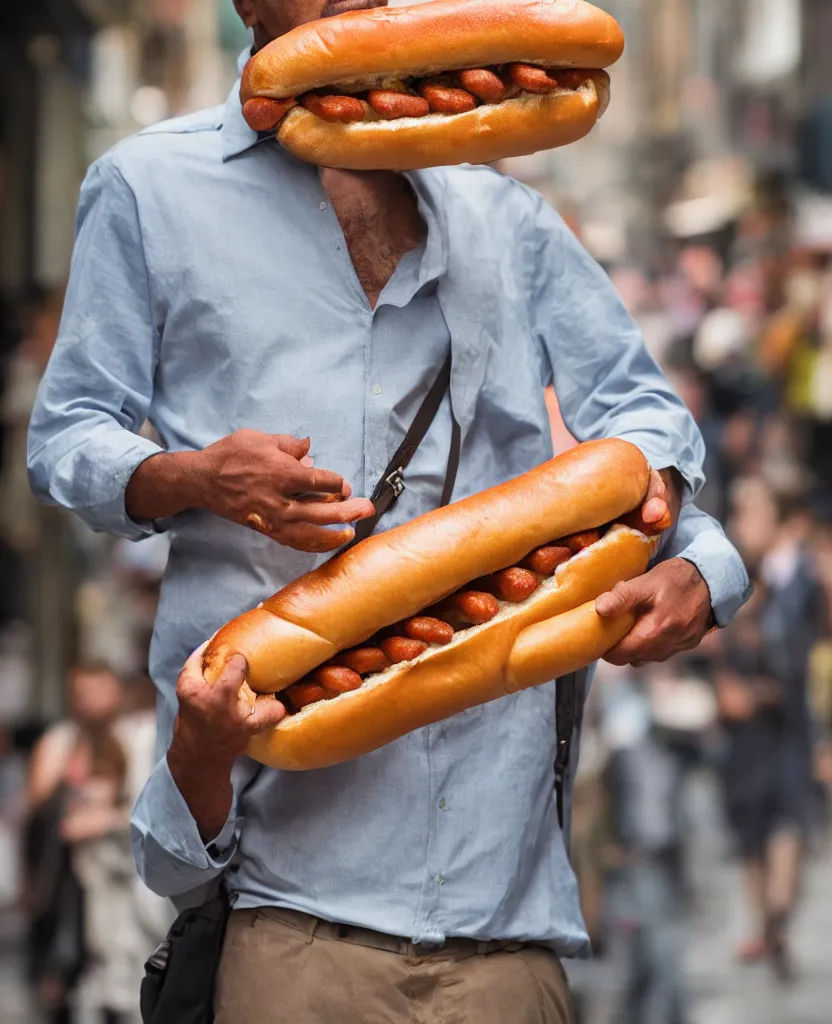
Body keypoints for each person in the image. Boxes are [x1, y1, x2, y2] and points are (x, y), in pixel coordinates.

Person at [27, 2, 751, 1019]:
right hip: (288, 911)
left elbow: (639, 417)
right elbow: (64, 438)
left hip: (504, 917)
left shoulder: (507, 216)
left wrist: (702, 566)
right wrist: (196, 475)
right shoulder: (150, 187)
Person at [715, 504, 824, 982]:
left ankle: (778, 911)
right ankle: (768, 925)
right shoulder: (729, 573)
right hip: (744, 740)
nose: (744, 523)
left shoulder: (797, 584)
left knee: (788, 821)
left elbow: (800, 657)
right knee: (752, 833)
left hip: (787, 727)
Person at [24, 664, 149, 1023]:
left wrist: (103, 818)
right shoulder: (61, 741)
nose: (94, 702)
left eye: (101, 691)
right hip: (69, 884)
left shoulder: (136, 737)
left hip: (122, 884)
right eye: (84, 693)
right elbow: (37, 808)